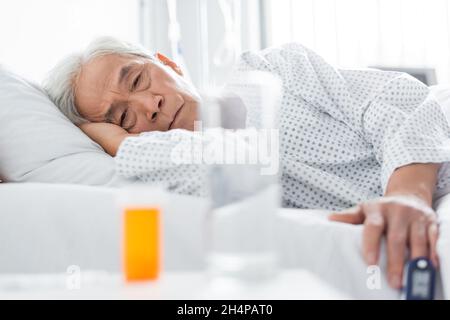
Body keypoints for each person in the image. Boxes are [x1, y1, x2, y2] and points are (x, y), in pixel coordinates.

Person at [44, 37, 450, 289]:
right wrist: (114, 141)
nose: (150, 107)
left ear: (167, 63)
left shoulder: (274, 70)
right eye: (122, 117)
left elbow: (398, 101)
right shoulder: (200, 170)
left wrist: (408, 196)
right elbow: (204, 161)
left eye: (137, 81)